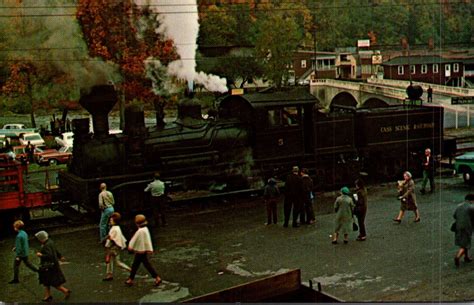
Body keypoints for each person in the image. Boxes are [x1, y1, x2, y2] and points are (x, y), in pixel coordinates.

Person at [125, 215, 162, 287]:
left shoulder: (140, 231)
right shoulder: (145, 229)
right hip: (143, 250)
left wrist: (130, 247)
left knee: (140, 264)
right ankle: (131, 279)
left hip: (140, 250)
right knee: (139, 264)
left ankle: (156, 277)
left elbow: (134, 240)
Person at [35, 231, 71, 302]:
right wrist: (60, 256)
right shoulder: (50, 242)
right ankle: (48, 295)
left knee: (52, 281)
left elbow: (49, 256)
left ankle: (65, 291)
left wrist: (41, 255)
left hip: (49, 267)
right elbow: (55, 250)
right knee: (46, 281)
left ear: (41, 238)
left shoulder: (46, 246)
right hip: (53, 265)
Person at [103, 212, 131, 281]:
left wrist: (108, 242)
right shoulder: (116, 228)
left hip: (114, 247)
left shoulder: (114, 229)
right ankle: (109, 274)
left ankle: (130, 270)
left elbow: (113, 240)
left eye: (111, 220)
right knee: (113, 261)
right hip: (116, 247)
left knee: (115, 261)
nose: (110, 221)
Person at [452, 194, 474, 267]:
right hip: (467, 227)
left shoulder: (459, 206)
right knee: (465, 243)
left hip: (458, 226)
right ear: (471, 200)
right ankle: (458, 256)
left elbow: (454, 216)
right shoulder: (471, 207)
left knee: (463, 241)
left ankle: (466, 257)